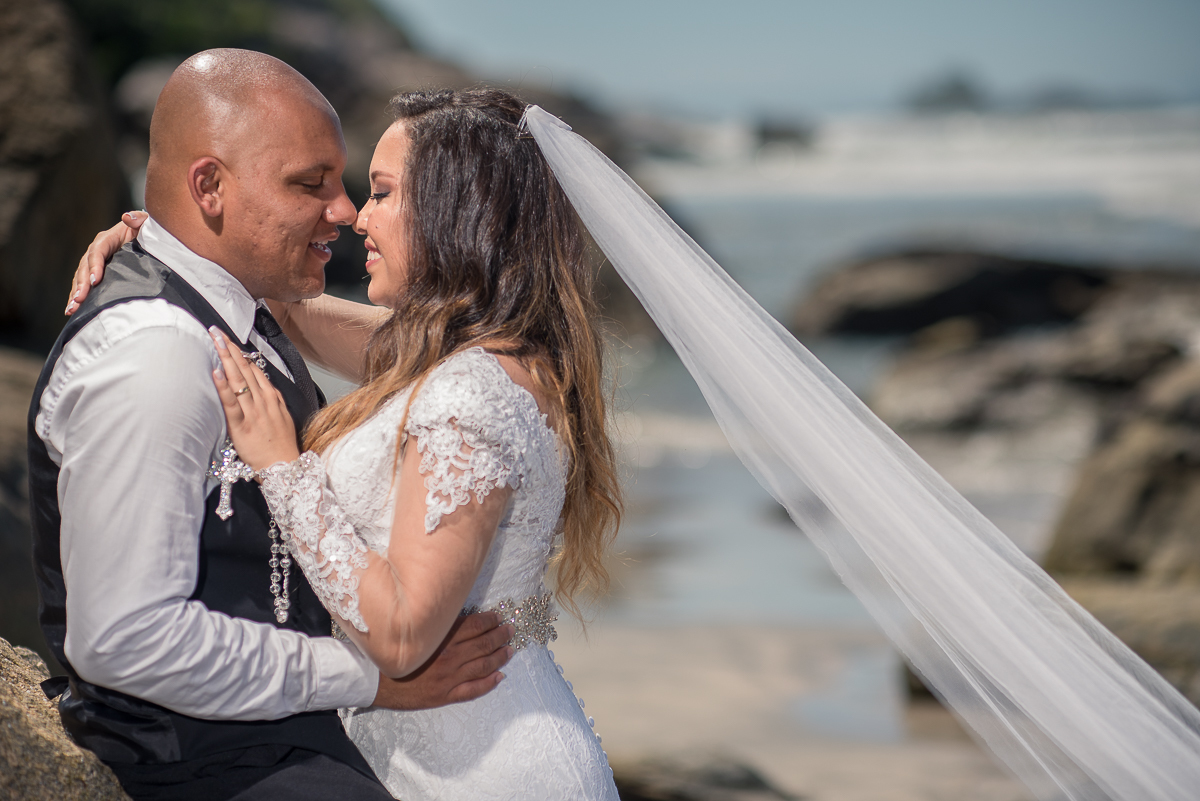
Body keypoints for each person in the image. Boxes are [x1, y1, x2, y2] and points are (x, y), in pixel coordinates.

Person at [76, 88, 624, 800]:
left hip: (484, 769)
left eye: (384, 193)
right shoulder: (488, 357)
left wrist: (283, 466)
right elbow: (292, 309)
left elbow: (400, 636)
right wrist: (176, 240)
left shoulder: (471, 394)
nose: (359, 217)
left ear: (458, 214)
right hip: (451, 743)